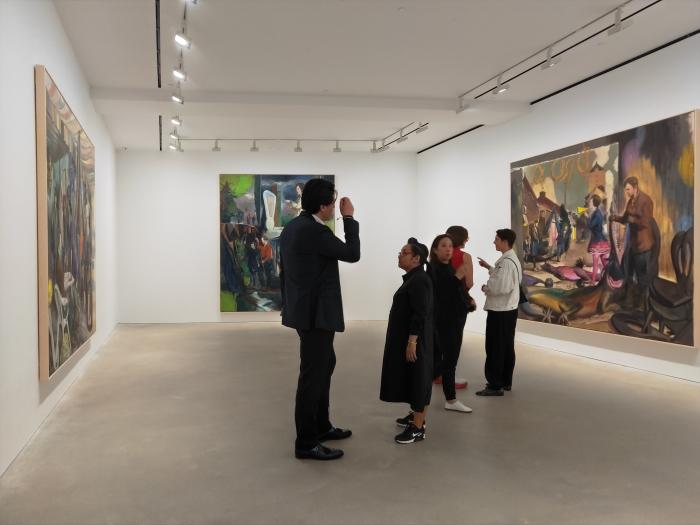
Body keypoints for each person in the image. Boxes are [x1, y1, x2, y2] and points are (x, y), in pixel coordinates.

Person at [279, 179, 360, 460]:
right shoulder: (314, 231)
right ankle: (306, 442)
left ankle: (322, 426)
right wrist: (349, 218)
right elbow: (352, 254)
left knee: (325, 365)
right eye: (333, 205)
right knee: (313, 377)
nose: (334, 209)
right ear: (323, 206)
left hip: (305, 313)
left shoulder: (292, 227)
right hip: (316, 315)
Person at [380, 238, 433, 444]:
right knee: (414, 378)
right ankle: (415, 417)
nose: (399, 255)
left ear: (416, 259)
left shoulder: (419, 280)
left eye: (404, 252)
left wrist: (412, 341)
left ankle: (418, 428)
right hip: (412, 338)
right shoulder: (415, 278)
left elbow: (420, 313)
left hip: (416, 340)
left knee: (419, 380)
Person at [428, 234, 473, 413]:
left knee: (450, 361)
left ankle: (450, 399)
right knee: (448, 361)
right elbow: (441, 295)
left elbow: (456, 291)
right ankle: (450, 398)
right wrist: (457, 277)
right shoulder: (433, 270)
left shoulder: (448, 267)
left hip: (454, 320)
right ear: (435, 250)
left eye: (450, 246)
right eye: (444, 246)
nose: (448, 249)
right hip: (444, 322)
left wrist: (467, 301)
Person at [476, 228, 522, 397]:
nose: (494, 242)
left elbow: (500, 287)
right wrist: (489, 267)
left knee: (495, 347)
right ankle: (505, 381)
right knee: (506, 346)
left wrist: (485, 288)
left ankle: (495, 385)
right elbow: (504, 278)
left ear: (504, 241)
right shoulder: (511, 260)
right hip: (509, 310)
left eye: (496, 239)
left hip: (500, 311)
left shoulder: (506, 263)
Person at [611, 176, 656, 307]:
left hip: (643, 246)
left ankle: (643, 306)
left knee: (642, 278)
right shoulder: (631, 201)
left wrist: (631, 220)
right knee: (629, 273)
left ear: (635, 188)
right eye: (626, 190)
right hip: (633, 245)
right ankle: (630, 301)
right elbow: (625, 219)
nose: (626, 192)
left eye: (628, 189)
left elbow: (645, 223)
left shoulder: (646, 201)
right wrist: (615, 218)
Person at [586, 195, 610, 283]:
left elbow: (591, 226)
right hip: (601, 240)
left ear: (594, 203)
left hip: (598, 242)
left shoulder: (597, 214)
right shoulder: (597, 212)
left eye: (590, 202)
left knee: (596, 263)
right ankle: (609, 279)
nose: (589, 203)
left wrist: (587, 217)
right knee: (604, 263)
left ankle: (593, 281)